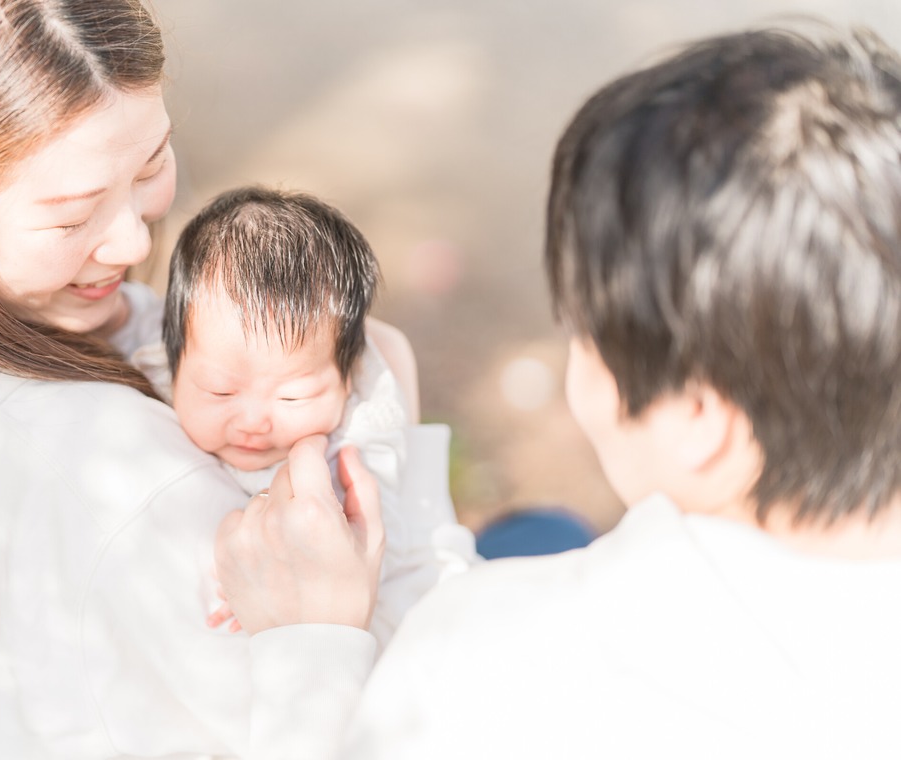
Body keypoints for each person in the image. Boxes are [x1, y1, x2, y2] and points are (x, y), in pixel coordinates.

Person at [216, 24, 901, 758]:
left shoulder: (489, 667)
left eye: (582, 332)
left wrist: (308, 648)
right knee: (543, 533)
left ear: (699, 420)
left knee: (529, 540)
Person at [0, 1, 387, 758]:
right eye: (71, 218)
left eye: (152, 164)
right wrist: (321, 637)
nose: (133, 238)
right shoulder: (124, 471)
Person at [124, 185, 475, 645]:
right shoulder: (141, 393)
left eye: (294, 397)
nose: (254, 420)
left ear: (351, 380)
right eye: (220, 390)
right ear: (173, 363)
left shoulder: (360, 434)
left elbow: (396, 542)